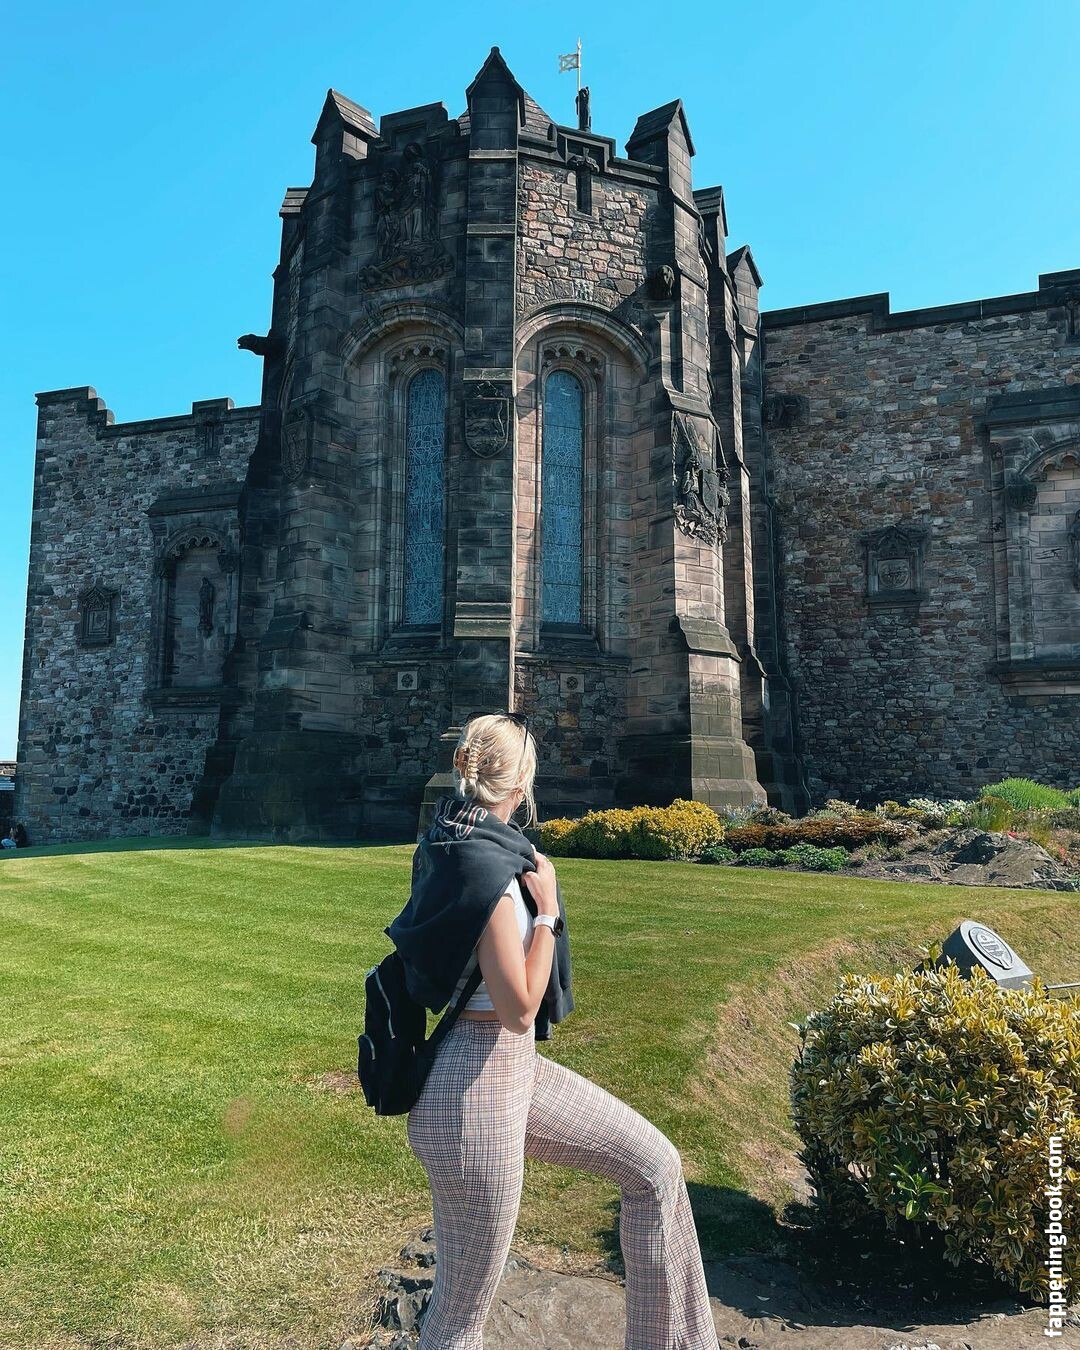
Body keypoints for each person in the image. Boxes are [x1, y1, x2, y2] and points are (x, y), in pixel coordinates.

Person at [394, 711, 718, 1349]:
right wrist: (547, 912)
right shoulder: (480, 870)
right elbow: (518, 1006)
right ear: (521, 786)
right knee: (457, 1323)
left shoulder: (455, 840)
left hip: (509, 1071)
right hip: (473, 1097)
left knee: (654, 1167)